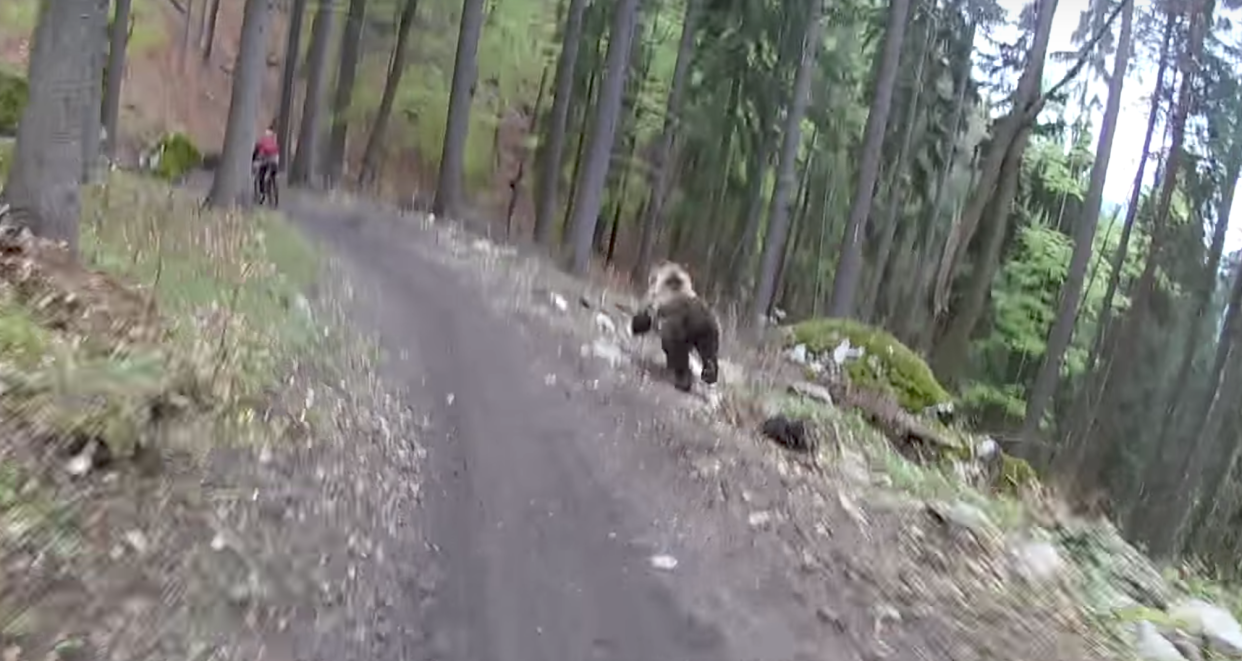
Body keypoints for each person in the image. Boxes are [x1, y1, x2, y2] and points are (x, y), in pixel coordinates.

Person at [252, 127, 280, 192]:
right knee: (273, 171)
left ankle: (262, 193)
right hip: (274, 160)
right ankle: (274, 182)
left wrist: (254, 160)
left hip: (265, 160)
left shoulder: (261, 141)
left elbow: (257, 153)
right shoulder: (273, 139)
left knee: (261, 174)